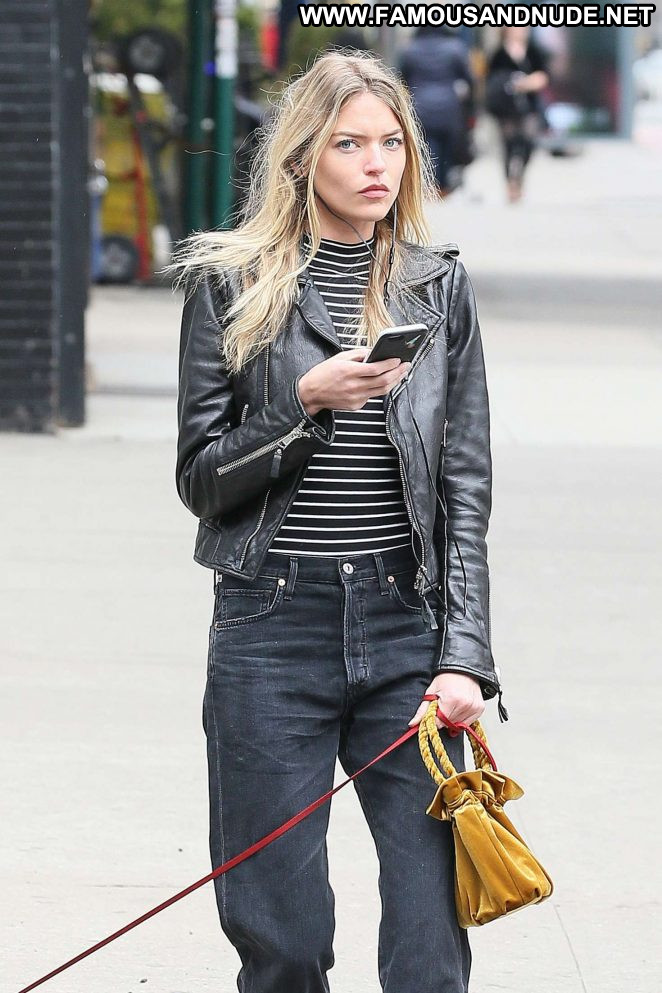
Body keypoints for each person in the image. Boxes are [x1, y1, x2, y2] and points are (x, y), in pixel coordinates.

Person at [170, 49, 506, 993]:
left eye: (391, 142)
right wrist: (304, 404)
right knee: (281, 935)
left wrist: (465, 656)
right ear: (302, 156)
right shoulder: (231, 283)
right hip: (271, 627)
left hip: (407, 627)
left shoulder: (437, 285)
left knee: (433, 934)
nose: (376, 164)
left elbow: (465, 486)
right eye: (349, 143)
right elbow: (201, 480)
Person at [397, 26, 475, 196]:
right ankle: (442, 187)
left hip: (419, 105)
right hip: (449, 106)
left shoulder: (410, 49)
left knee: (426, 146)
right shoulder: (455, 48)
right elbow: (469, 79)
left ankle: (429, 185)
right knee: (447, 147)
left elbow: (401, 79)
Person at [485, 26, 550, 203]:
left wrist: (528, 83)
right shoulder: (499, 53)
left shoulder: (533, 51)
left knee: (528, 143)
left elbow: (543, 75)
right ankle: (510, 183)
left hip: (528, 106)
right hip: (506, 107)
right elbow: (490, 79)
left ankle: (519, 178)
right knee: (508, 145)